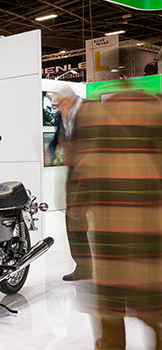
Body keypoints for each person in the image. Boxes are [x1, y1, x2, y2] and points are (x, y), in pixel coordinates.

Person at [66, 47, 162, 349]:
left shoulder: (93, 114)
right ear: (131, 74)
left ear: (109, 75)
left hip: (110, 232)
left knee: (110, 312)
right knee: (153, 309)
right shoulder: (154, 109)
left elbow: (79, 173)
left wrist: (76, 217)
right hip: (149, 229)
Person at [49, 85, 92, 281]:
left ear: (68, 100)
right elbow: (59, 138)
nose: (57, 109)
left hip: (96, 176)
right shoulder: (63, 115)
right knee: (74, 221)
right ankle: (83, 267)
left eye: (58, 104)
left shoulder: (91, 109)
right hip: (75, 177)